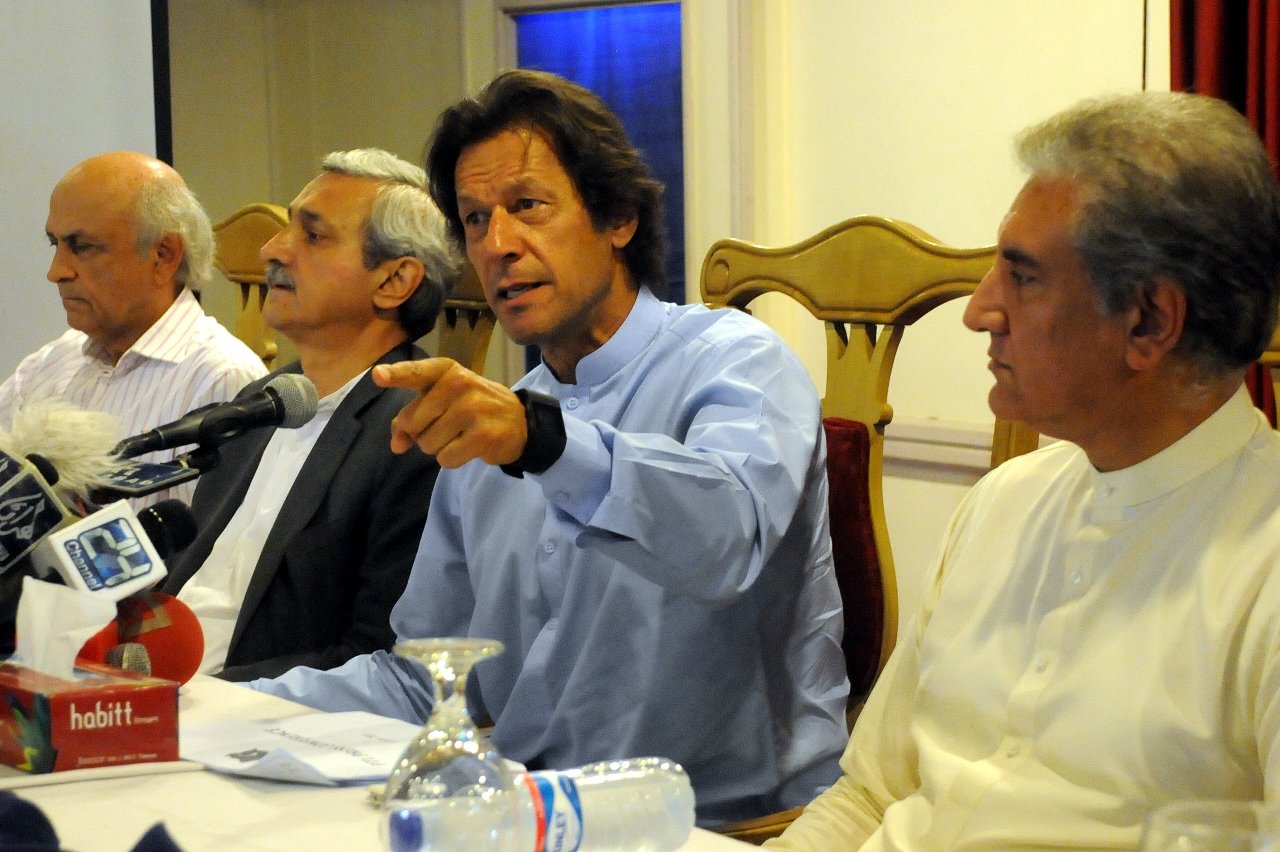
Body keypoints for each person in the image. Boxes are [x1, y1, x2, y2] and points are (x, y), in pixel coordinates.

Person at [253, 70, 849, 823]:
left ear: (619, 218)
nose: (497, 246)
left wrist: (544, 443)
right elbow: (423, 683)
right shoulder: (500, 422)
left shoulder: (736, 361)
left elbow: (726, 538)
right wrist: (204, 709)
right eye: (474, 220)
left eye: (527, 207)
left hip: (721, 825)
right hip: (533, 812)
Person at [770, 91, 1280, 850]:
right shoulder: (1005, 502)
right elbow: (869, 796)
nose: (978, 310)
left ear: (1148, 321)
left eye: (1024, 277)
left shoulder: (1263, 565)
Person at [162, 149, 458, 682]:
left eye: (313, 235)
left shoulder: (418, 430)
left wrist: (198, 702)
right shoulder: (260, 402)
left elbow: (379, 656)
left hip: (258, 725)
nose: (272, 248)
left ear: (394, 281)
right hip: (154, 692)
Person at [0, 151, 267, 505]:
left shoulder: (220, 379)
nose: (56, 271)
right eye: (56, 243)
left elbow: (209, 554)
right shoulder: (47, 366)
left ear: (163, 255)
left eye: (83, 247)